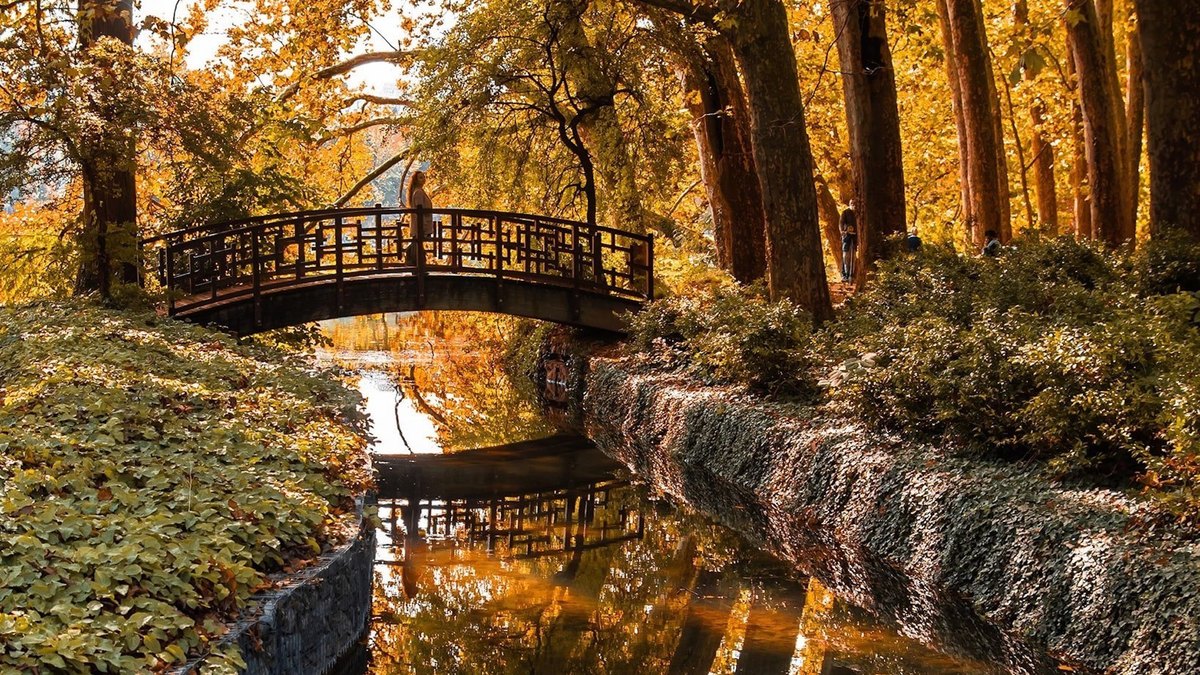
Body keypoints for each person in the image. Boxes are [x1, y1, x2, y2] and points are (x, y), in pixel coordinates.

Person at [407, 171, 433, 266]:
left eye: (424, 177)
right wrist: (422, 226)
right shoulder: (418, 192)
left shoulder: (419, 191)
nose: (423, 179)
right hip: (420, 224)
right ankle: (419, 267)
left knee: (418, 247)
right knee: (417, 247)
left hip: (421, 224)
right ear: (416, 180)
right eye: (420, 178)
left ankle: (418, 266)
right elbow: (419, 211)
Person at [839, 200, 858, 282]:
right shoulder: (846, 212)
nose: (854, 205)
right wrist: (843, 231)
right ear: (850, 204)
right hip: (846, 236)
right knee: (846, 256)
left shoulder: (859, 213)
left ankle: (852, 275)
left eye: (855, 204)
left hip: (855, 237)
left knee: (853, 256)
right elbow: (841, 223)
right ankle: (844, 275)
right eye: (852, 204)